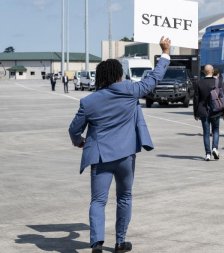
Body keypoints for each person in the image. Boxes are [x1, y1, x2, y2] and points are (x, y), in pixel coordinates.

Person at [68, 37, 171, 252]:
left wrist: (80, 142)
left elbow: (74, 130)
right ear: (117, 74)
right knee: (124, 197)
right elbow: (154, 79)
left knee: (98, 201)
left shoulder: (88, 102)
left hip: (100, 156)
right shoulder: (130, 90)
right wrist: (164, 53)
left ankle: (96, 243)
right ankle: (120, 242)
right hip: (125, 155)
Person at [194, 64, 224, 161]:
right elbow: (222, 97)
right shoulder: (218, 82)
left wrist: (195, 113)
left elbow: (196, 99)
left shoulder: (199, 83)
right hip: (215, 110)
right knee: (215, 130)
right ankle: (215, 148)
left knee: (206, 133)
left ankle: (207, 154)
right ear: (212, 71)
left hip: (203, 111)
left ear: (204, 72)